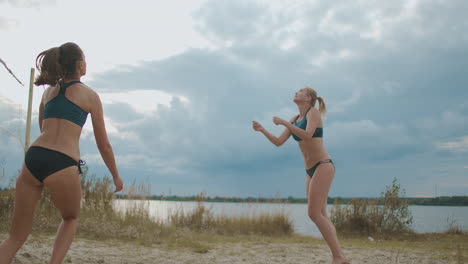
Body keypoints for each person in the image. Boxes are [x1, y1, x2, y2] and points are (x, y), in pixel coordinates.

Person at [0, 42, 123, 264]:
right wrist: (115, 175)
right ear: (80, 65)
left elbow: (42, 127)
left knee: (15, 237)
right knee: (70, 217)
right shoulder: (90, 96)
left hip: (34, 157)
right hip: (63, 161)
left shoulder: (47, 93)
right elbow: (103, 144)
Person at [252, 87, 349, 264]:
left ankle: (338, 257)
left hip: (323, 165)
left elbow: (307, 134)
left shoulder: (313, 113)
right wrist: (262, 130)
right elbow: (279, 142)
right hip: (310, 170)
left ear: (309, 98)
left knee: (314, 213)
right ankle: (340, 256)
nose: (296, 92)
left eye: (301, 91)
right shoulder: (295, 119)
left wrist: (283, 122)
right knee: (321, 214)